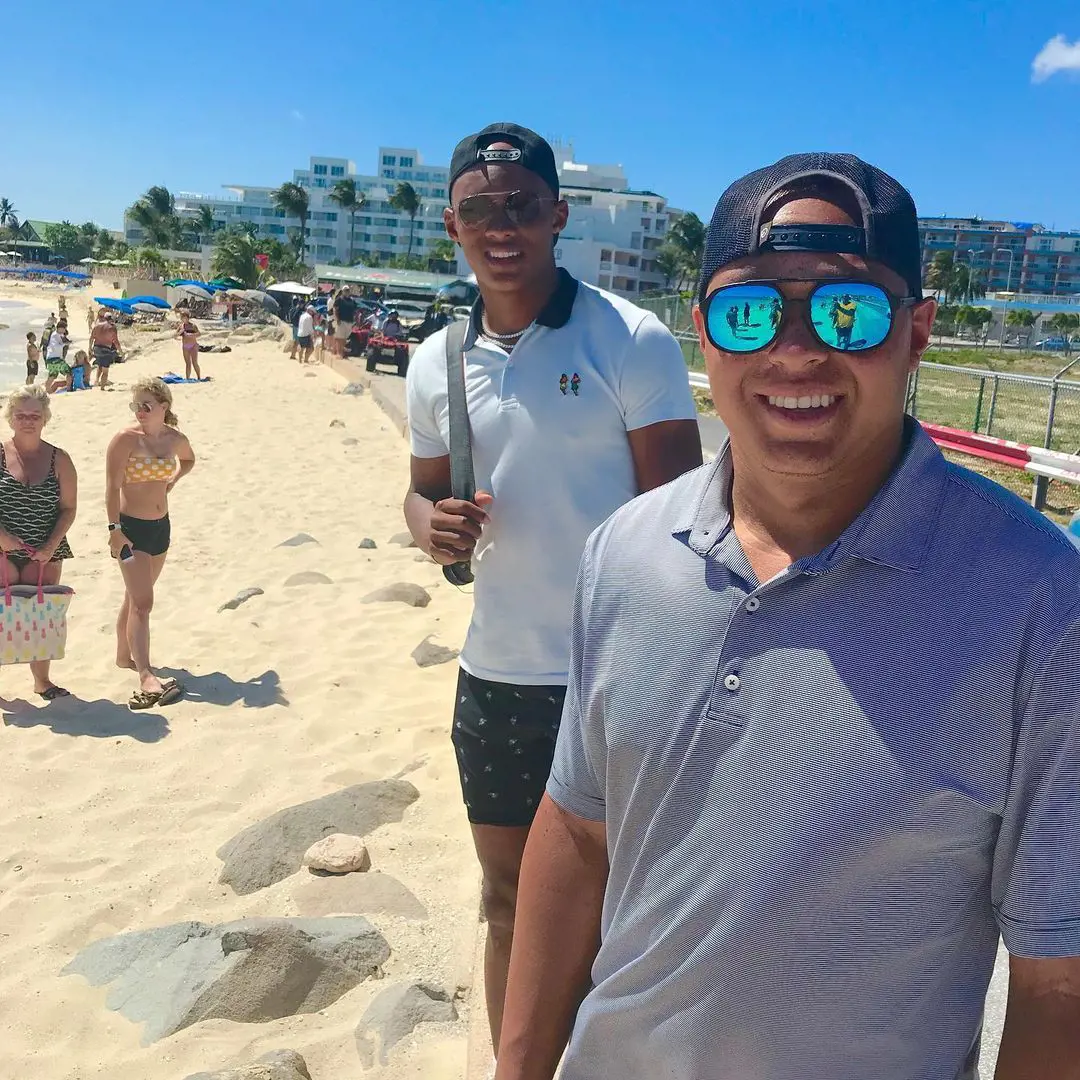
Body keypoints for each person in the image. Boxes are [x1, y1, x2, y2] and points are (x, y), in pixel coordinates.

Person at [497, 153, 1080, 1080]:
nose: (797, 351)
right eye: (750, 309)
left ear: (918, 331)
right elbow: (575, 829)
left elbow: (1057, 986)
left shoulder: (1040, 605)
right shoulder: (625, 553)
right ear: (704, 334)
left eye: (851, 311)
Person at [404, 122, 702, 1061]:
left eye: (522, 206)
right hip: (497, 675)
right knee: (507, 902)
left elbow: (687, 519)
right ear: (452, 225)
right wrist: (430, 527)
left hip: (619, 679)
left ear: (558, 217)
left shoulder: (632, 339)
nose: (503, 226)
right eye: (481, 210)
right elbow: (420, 491)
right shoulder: (435, 361)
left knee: (620, 914)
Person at [105, 377, 195, 710]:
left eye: (147, 405)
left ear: (164, 407)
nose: (141, 412)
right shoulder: (124, 440)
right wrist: (114, 529)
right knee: (143, 603)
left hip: (161, 529)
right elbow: (111, 488)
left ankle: (122, 656)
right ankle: (144, 673)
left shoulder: (174, 439)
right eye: (136, 406)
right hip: (130, 530)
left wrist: (172, 481)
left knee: (135, 596)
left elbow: (189, 460)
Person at [0, 386, 77, 700]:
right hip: (1, 546)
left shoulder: (60, 458)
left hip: (47, 550)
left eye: (34, 415)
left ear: (45, 418)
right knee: (1, 616)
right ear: (10, 418)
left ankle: (42, 682)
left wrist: (49, 546)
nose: (28, 421)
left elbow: (69, 508)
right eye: (21, 415)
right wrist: (2, 537)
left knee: (41, 619)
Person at [89, 310, 121, 388]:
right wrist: (121, 352)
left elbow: (91, 338)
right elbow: (116, 341)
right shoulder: (112, 327)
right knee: (105, 371)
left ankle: (96, 381)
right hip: (106, 349)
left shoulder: (97, 326)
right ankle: (102, 388)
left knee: (100, 365)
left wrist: (89, 348)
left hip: (96, 348)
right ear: (111, 319)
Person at [44, 319, 71, 393]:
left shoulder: (60, 335)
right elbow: (55, 346)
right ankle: (69, 390)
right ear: (60, 328)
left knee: (52, 375)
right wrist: (64, 344)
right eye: (64, 328)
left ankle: (47, 392)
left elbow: (63, 341)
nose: (65, 330)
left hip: (50, 358)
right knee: (69, 372)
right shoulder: (54, 335)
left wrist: (67, 342)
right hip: (55, 359)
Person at [175, 312, 202, 380]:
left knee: (194, 362)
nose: (184, 319)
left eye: (185, 318)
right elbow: (175, 335)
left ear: (187, 318)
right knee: (188, 363)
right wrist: (180, 333)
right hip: (185, 346)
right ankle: (187, 378)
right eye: (182, 318)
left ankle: (199, 377)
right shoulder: (181, 326)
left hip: (193, 345)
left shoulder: (193, 326)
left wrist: (191, 335)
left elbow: (199, 334)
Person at [332, 285, 357, 357]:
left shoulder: (352, 300)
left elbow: (355, 310)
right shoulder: (339, 299)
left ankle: (342, 352)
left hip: (349, 321)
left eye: (348, 290)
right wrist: (337, 319)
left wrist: (355, 320)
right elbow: (335, 309)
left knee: (345, 338)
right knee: (340, 338)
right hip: (341, 321)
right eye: (345, 290)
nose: (347, 292)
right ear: (343, 291)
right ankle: (339, 353)